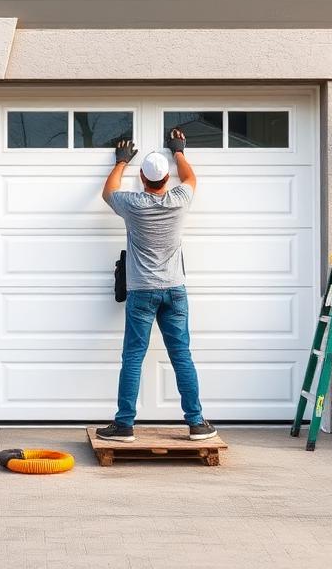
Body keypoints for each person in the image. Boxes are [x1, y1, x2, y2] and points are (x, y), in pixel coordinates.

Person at [95, 128, 217, 442]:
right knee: (182, 356)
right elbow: (191, 179)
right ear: (166, 179)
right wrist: (179, 150)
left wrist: (121, 161)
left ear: (144, 181)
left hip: (141, 292)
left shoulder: (133, 204)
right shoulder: (179, 199)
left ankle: (124, 425)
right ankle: (197, 423)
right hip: (175, 290)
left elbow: (108, 192)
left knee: (133, 357)